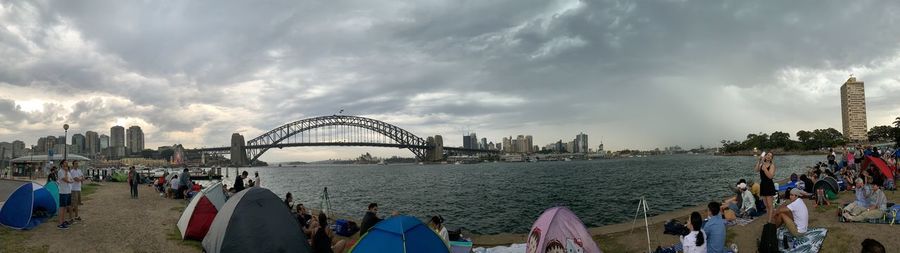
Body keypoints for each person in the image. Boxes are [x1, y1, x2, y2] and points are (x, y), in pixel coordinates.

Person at [756, 152, 777, 222]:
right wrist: (759, 161)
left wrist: (764, 168)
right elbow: (756, 170)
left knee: (770, 205)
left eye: (770, 156)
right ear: (765, 156)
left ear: (771, 158)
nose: (768, 157)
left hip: (769, 185)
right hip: (763, 185)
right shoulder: (762, 164)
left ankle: (769, 221)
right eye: (768, 155)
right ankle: (771, 217)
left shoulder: (772, 165)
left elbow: (770, 176)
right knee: (766, 205)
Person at [56, 161, 73, 229]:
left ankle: (64, 220)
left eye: (67, 163)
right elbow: (66, 180)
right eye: (65, 163)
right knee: (62, 207)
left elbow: (71, 179)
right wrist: (66, 173)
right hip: (63, 192)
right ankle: (60, 223)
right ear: (62, 164)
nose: (66, 164)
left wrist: (70, 180)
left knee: (65, 207)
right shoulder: (60, 172)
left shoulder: (68, 172)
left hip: (68, 191)